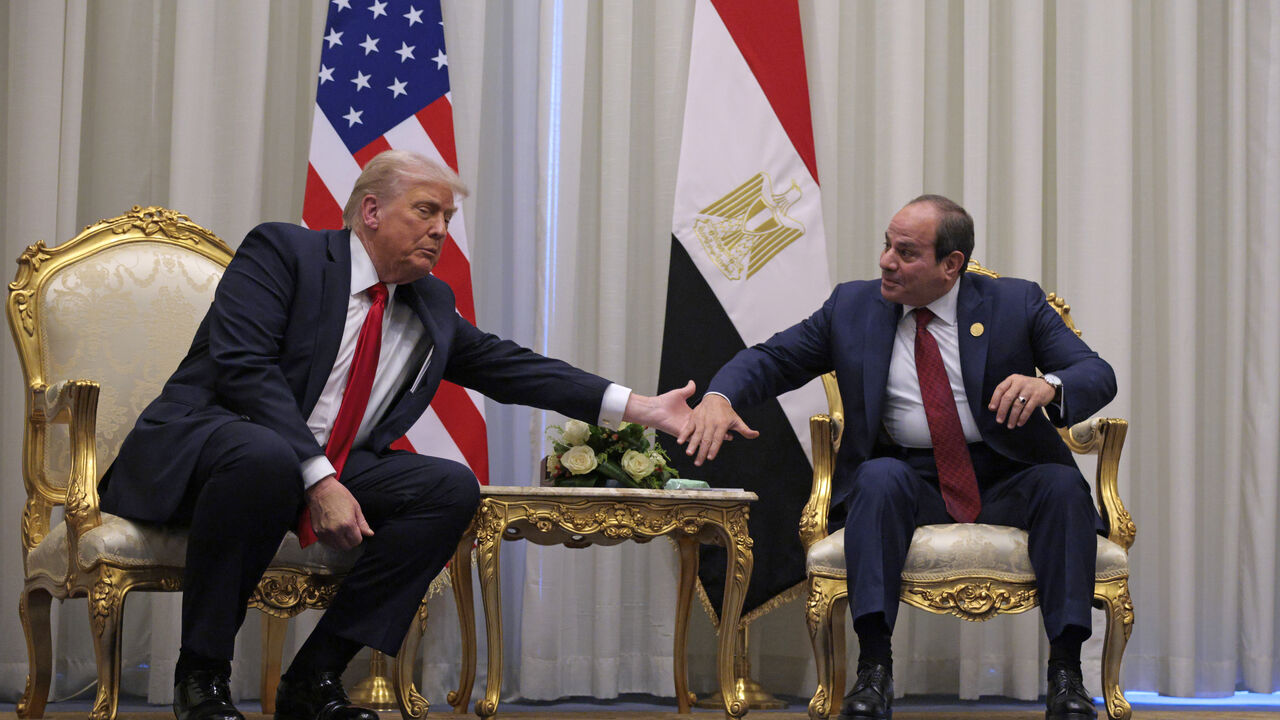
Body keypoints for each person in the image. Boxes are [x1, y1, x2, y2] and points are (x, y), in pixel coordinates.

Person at [99, 149, 694, 720]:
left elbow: (513, 368)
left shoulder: (429, 303)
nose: (439, 231)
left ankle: (315, 677)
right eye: (425, 211)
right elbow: (243, 369)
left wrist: (642, 408)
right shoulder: (286, 253)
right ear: (372, 211)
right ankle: (201, 674)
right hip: (219, 445)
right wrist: (319, 476)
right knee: (266, 455)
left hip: (318, 462)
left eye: (447, 219)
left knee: (447, 487)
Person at [677, 195, 1114, 720]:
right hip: (910, 479)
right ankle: (874, 671)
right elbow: (772, 358)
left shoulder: (1014, 303)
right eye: (887, 245)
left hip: (1006, 475)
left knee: (1063, 487)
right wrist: (720, 398)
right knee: (878, 479)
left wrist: (1049, 386)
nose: (886, 261)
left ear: (950, 265)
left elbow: (1095, 372)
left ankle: (1067, 672)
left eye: (906, 253)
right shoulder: (853, 307)